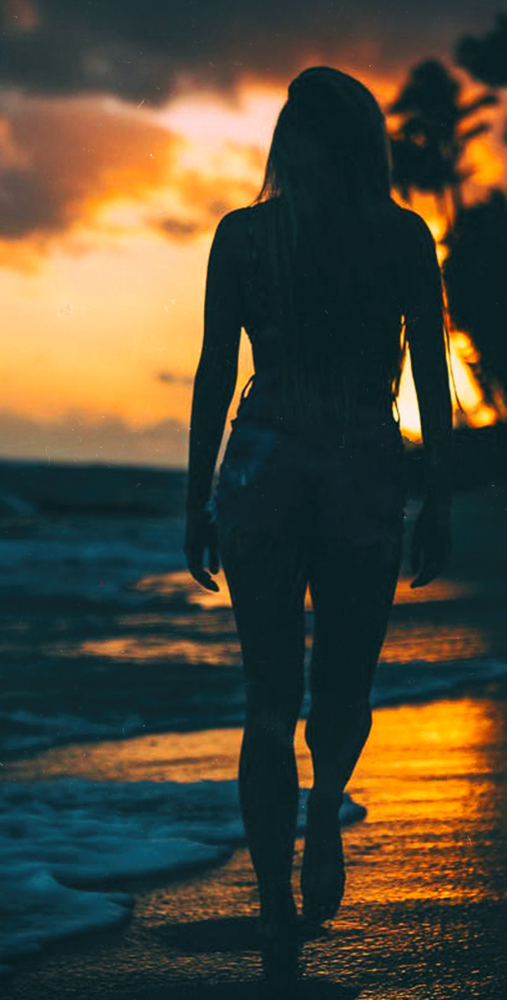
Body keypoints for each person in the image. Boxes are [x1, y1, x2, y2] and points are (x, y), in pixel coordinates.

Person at [184, 66, 454, 950]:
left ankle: (272, 904)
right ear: (369, 145)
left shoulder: (244, 237)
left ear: (290, 143)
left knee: (269, 699)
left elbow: (217, 372)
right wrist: (437, 496)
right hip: (362, 467)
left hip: (261, 464)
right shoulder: (405, 238)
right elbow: (428, 378)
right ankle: (324, 817)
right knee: (344, 687)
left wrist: (197, 500)